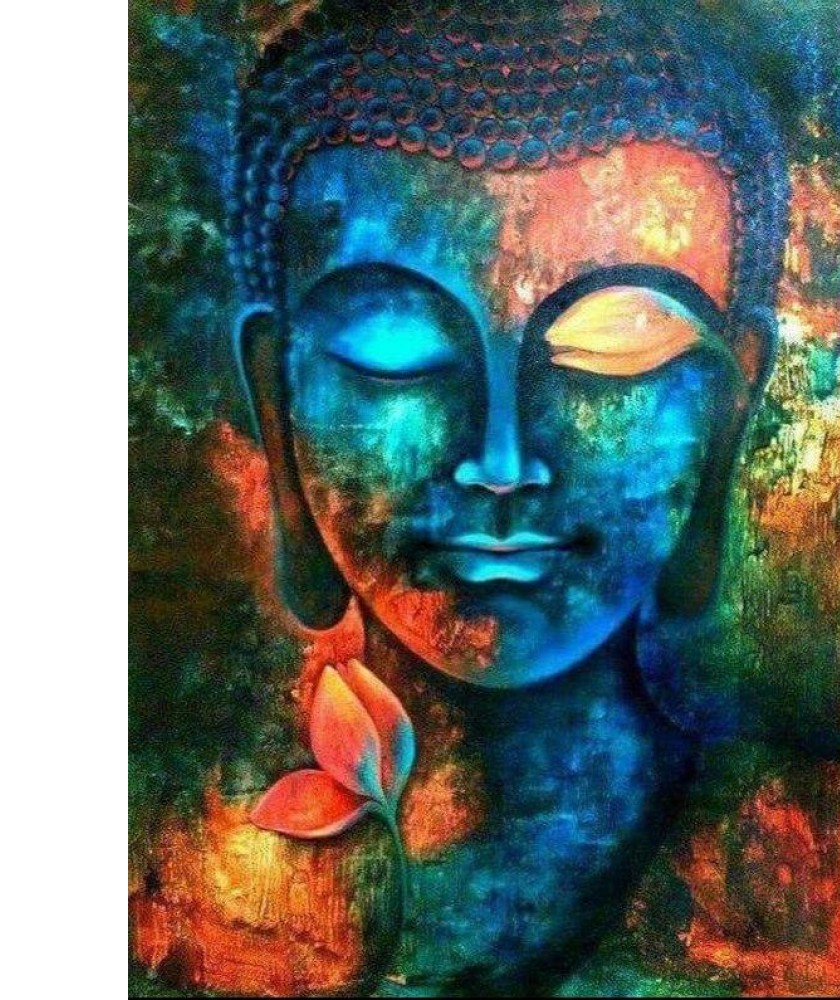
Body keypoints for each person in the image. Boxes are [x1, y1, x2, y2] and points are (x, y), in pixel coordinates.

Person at [229, 1, 789, 993]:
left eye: (615, 352)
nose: (501, 457)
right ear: (278, 404)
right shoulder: (161, 891)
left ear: (730, 405)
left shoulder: (825, 871)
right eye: (395, 350)